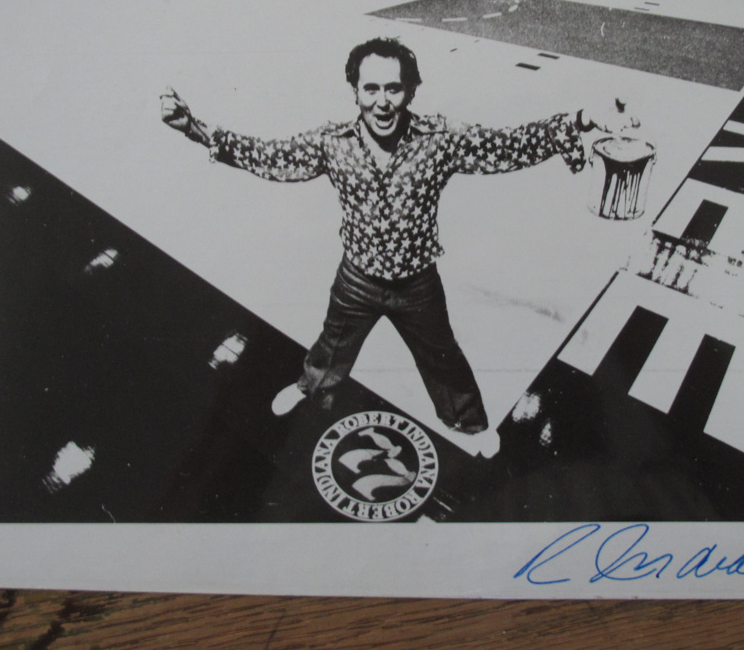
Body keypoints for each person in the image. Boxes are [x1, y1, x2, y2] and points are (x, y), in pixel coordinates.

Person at [161, 37, 638, 457]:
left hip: (417, 284)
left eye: (394, 88)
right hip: (356, 279)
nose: (383, 101)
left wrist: (582, 120)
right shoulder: (332, 143)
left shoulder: (440, 140)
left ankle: (468, 424)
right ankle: (310, 389)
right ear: (355, 91)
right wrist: (194, 127)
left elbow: (510, 145)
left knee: (443, 359)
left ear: (410, 90)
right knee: (331, 347)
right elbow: (272, 157)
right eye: (371, 89)